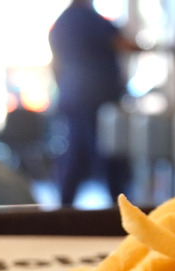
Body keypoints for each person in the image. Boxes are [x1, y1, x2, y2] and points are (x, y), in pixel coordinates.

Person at [48, 0, 135, 205]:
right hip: (95, 97)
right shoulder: (91, 19)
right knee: (109, 151)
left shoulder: (61, 23)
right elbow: (122, 43)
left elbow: (56, 65)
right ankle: (120, 208)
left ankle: (64, 207)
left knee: (76, 152)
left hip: (71, 95)